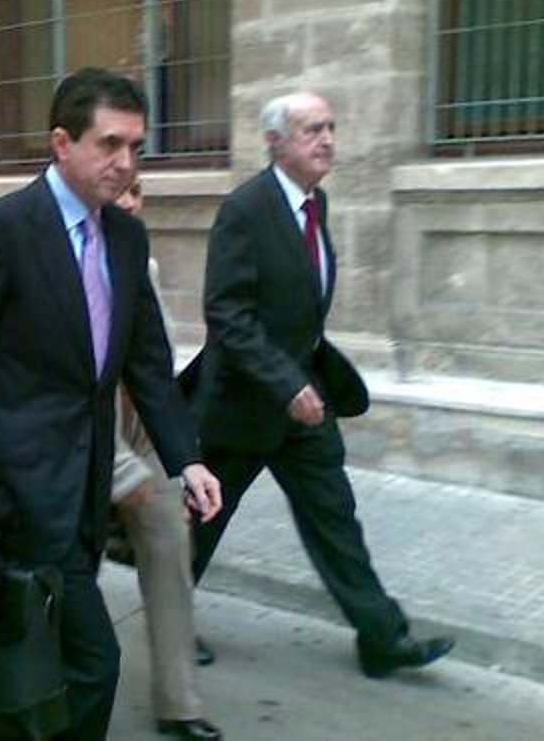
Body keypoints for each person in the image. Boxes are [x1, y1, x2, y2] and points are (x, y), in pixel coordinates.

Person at [0, 68, 222, 740]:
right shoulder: (0, 230)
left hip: (82, 494)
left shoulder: (127, 239)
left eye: (136, 147)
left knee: (36, 662)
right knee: (93, 664)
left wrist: (186, 459)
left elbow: (147, 364)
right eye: (109, 144)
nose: (125, 162)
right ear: (61, 143)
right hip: (9, 493)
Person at [189, 92, 454, 679]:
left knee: (334, 516)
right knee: (204, 522)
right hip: (242, 404)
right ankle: (169, 621)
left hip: (304, 404)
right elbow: (228, 313)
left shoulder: (316, 204)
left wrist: (303, 381)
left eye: (331, 127)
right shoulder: (245, 209)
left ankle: (382, 638)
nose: (327, 139)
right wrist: (284, 383)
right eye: (312, 129)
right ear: (275, 141)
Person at [111, 178, 221, 741]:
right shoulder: (61, 262)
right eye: (119, 193)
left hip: (144, 430)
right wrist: (118, 468)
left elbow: (156, 366)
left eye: (137, 191)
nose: (130, 202)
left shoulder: (143, 266)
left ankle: (179, 704)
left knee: (172, 545)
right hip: (86, 437)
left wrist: (186, 461)